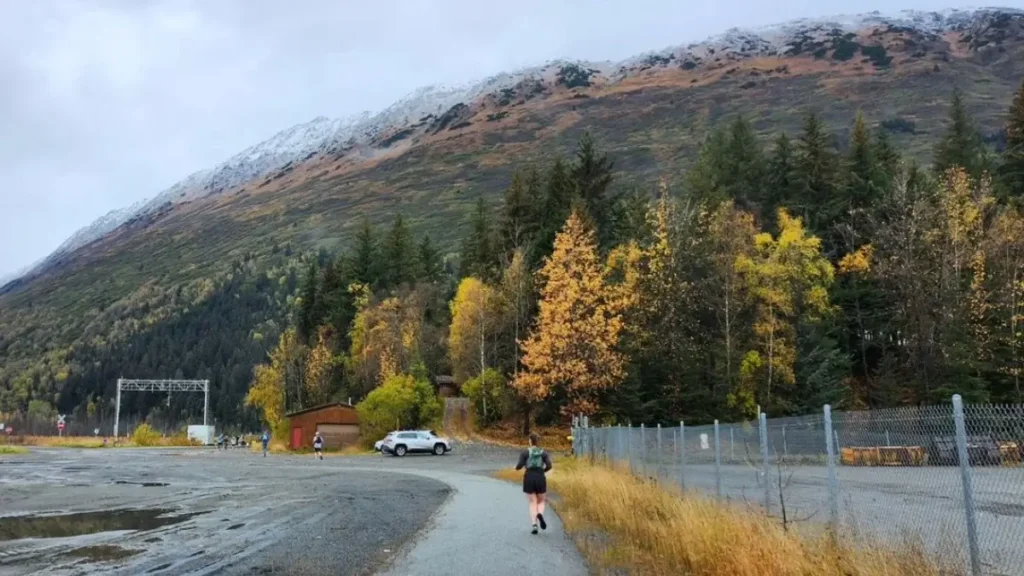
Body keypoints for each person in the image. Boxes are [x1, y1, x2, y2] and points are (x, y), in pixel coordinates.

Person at [515, 433, 553, 534]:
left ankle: (534, 524)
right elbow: (549, 465)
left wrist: (517, 468)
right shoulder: (543, 453)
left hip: (529, 477)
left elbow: (519, 465)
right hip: (540, 476)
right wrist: (543, 471)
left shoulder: (525, 453)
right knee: (541, 501)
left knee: (532, 502)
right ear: (538, 441)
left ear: (530, 441)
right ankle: (540, 513)